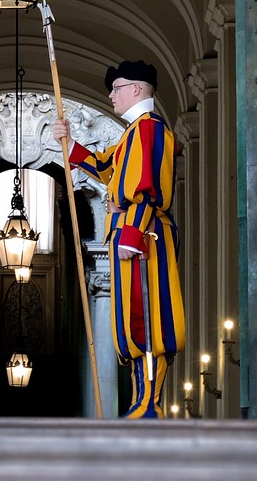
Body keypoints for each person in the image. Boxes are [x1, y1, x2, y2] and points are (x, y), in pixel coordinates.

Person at [52, 59, 186, 419]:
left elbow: (148, 188)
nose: (111, 94)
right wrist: (69, 143)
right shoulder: (133, 133)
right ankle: (140, 399)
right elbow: (105, 167)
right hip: (132, 233)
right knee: (131, 320)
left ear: (138, 89)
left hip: (142, 235)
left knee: (149, 317)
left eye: (118, 87)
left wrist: (132, 233)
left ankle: (149, 403)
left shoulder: (150, 130)